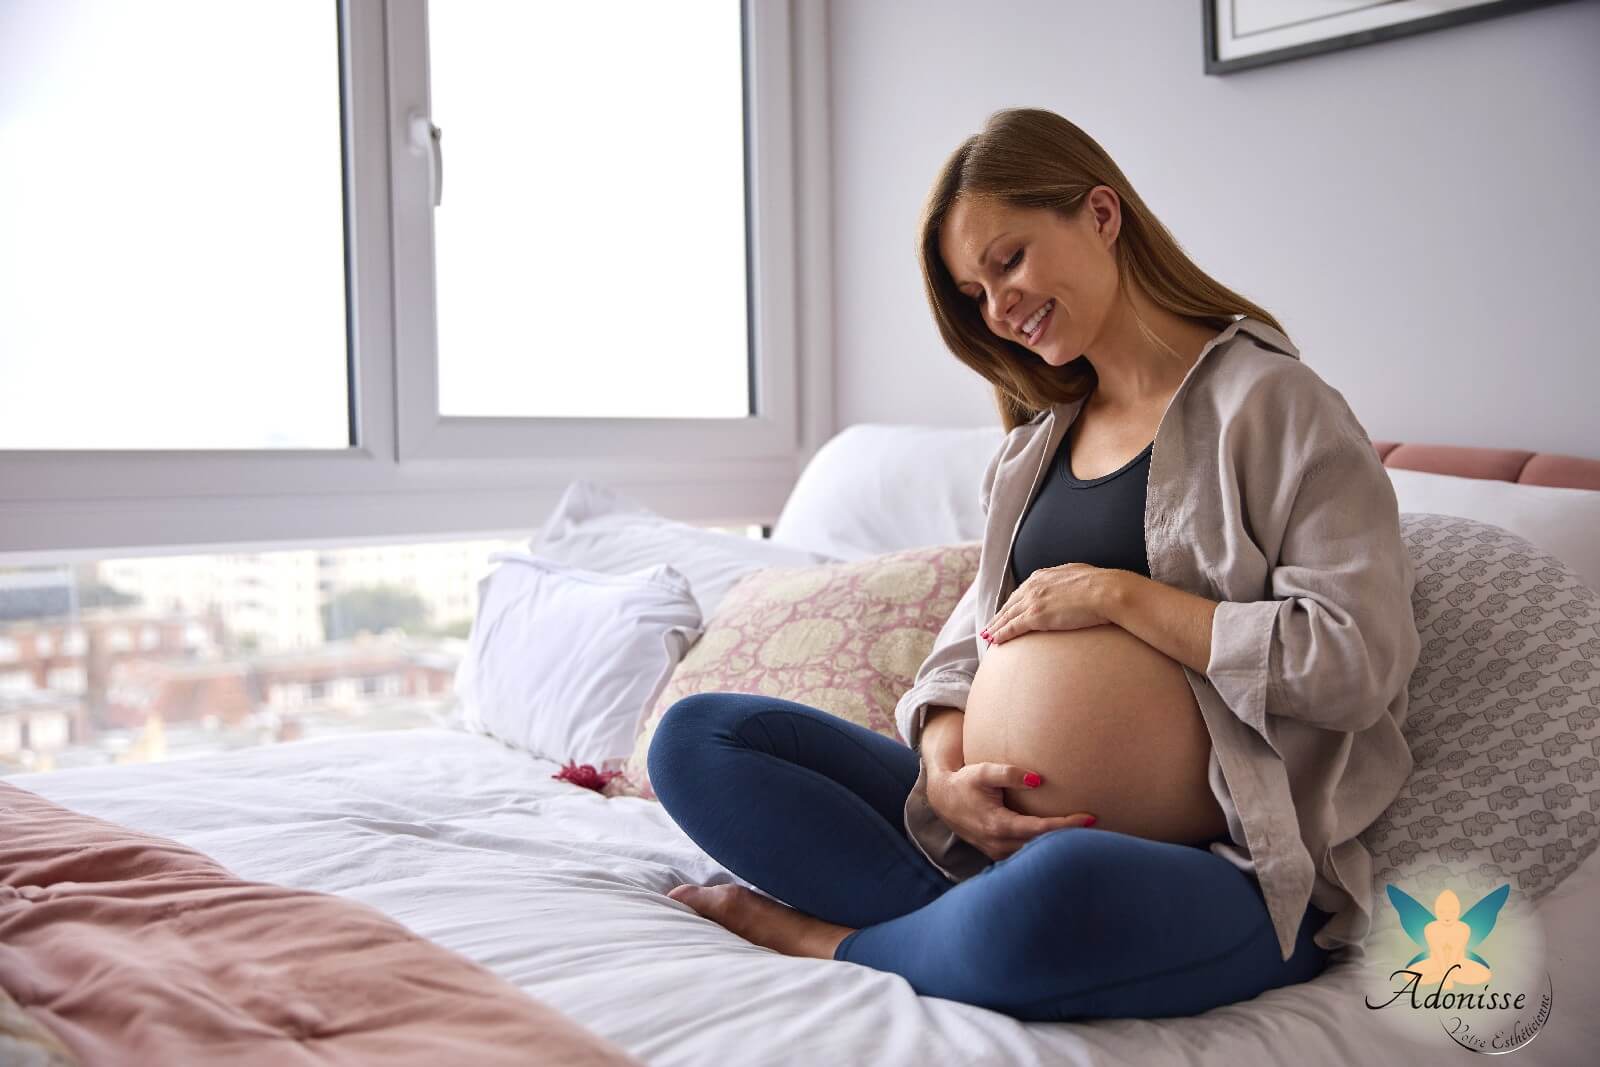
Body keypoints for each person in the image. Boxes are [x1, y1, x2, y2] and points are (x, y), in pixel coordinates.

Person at [647, 107, 1421, 1022]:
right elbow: (965, 646)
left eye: (1007, 261)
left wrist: (1123, 597)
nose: (998, 308)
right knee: (697, 738)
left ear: (1100, 215)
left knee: (1062, 886)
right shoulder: (1035, 446)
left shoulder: (1276, 406)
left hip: (1209, 866)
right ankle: (956, 929)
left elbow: (1356, 662)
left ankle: (829, 939)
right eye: (975, 292)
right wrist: (941, 767)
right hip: (981, 837)